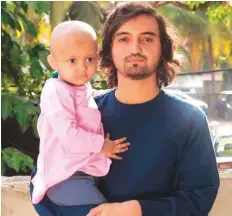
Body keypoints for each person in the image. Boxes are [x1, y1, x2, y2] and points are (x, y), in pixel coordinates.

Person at [30, 3, 220, 216]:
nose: (135, 49)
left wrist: (138, 210)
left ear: (163, 48)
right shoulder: (84, 112)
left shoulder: (190, 120)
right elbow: (47, 177)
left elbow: (198, 198)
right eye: (124, 39)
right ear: (109, 49)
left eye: (147, 39)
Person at [30, 20, 130, 213]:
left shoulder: (80, 87)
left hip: (81, 173)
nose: (82, 68)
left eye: (89, 60)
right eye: (72, 60)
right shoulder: (55, 91)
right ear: (53, 62)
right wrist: (102, 145)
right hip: (66, 178)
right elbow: (69, 135)